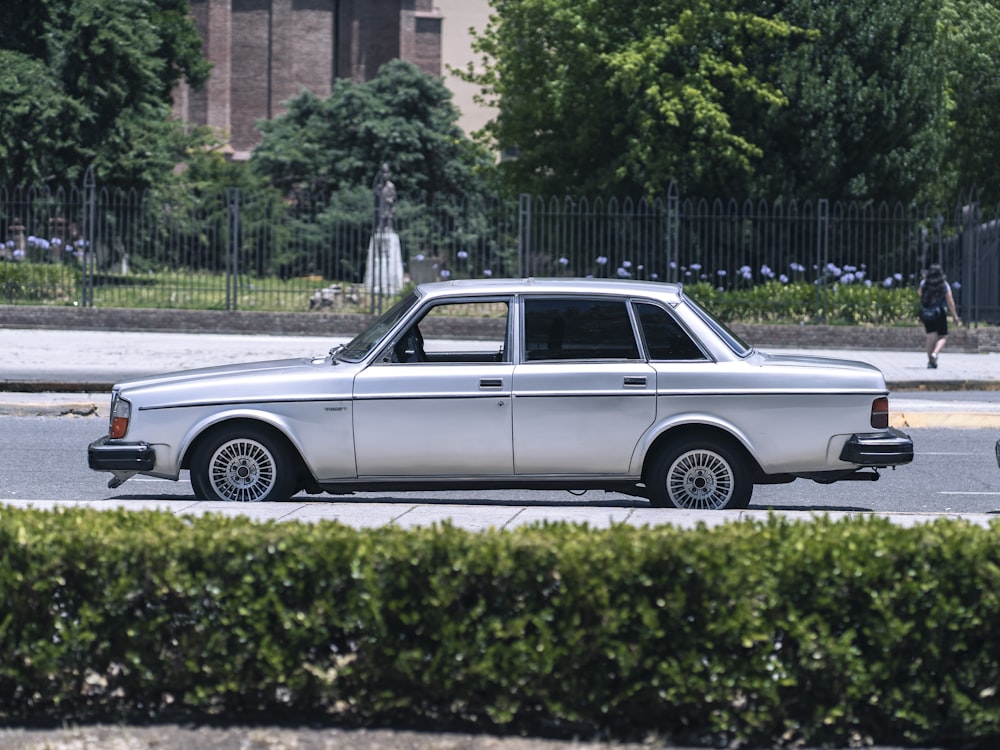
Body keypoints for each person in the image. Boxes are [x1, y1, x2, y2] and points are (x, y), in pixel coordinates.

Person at [918, 263, 960, 369]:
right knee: (942, 337)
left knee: (930, 336)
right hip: (939, 313)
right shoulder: (944, 284)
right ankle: (935, 353)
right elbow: (950, 301)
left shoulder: (924, 283)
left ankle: (931, 362)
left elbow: (920, 295)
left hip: (927, 313)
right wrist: (955, 316)